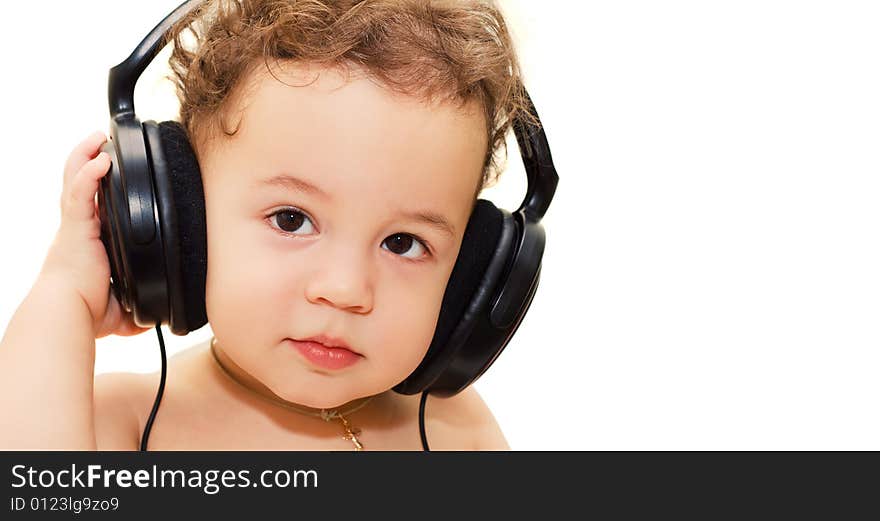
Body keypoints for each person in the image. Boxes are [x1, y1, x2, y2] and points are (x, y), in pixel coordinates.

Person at [0, 0, 541, 450]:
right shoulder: (130, 423)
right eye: (292, 219)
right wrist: (65, 297)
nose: (345, 289)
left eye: (403, 243)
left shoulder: (454, 433)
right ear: (186, 224)